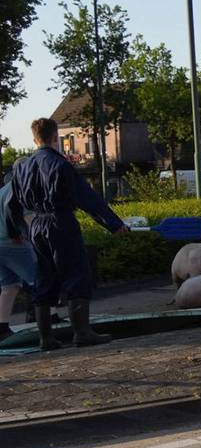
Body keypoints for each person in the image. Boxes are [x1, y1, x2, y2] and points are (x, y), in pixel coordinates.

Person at [6, 117, 129, 350]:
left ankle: (46, 338)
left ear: (34, 139)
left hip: (36, 227)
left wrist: (15, 231)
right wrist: (114, 224)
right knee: (76, 274)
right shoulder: (61, 165)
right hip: (61, 222)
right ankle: (82, 333)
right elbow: (88, 199)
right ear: (56, 137)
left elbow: (11, 204)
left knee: (44, 277)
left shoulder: (21, 168)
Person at [0, 168, 38, 341]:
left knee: (10, 286)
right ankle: (46, 316)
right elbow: (28, 220)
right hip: (14, 243)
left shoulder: (2, 191)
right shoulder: (21, 191)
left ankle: (2, 326)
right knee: (38, 279)